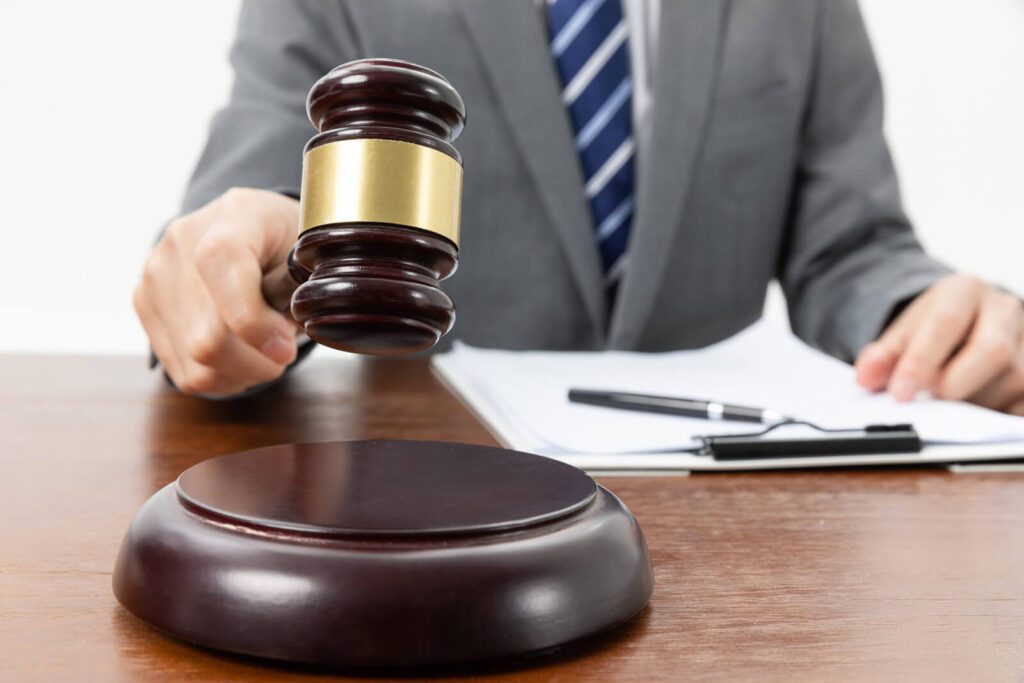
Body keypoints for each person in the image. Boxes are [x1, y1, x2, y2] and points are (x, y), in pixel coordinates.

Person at [134, 0, 1024, 415]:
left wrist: (924, 314)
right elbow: (253, 199)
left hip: (726, 524)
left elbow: (850, 250)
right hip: (419, 498)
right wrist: (246, 269)